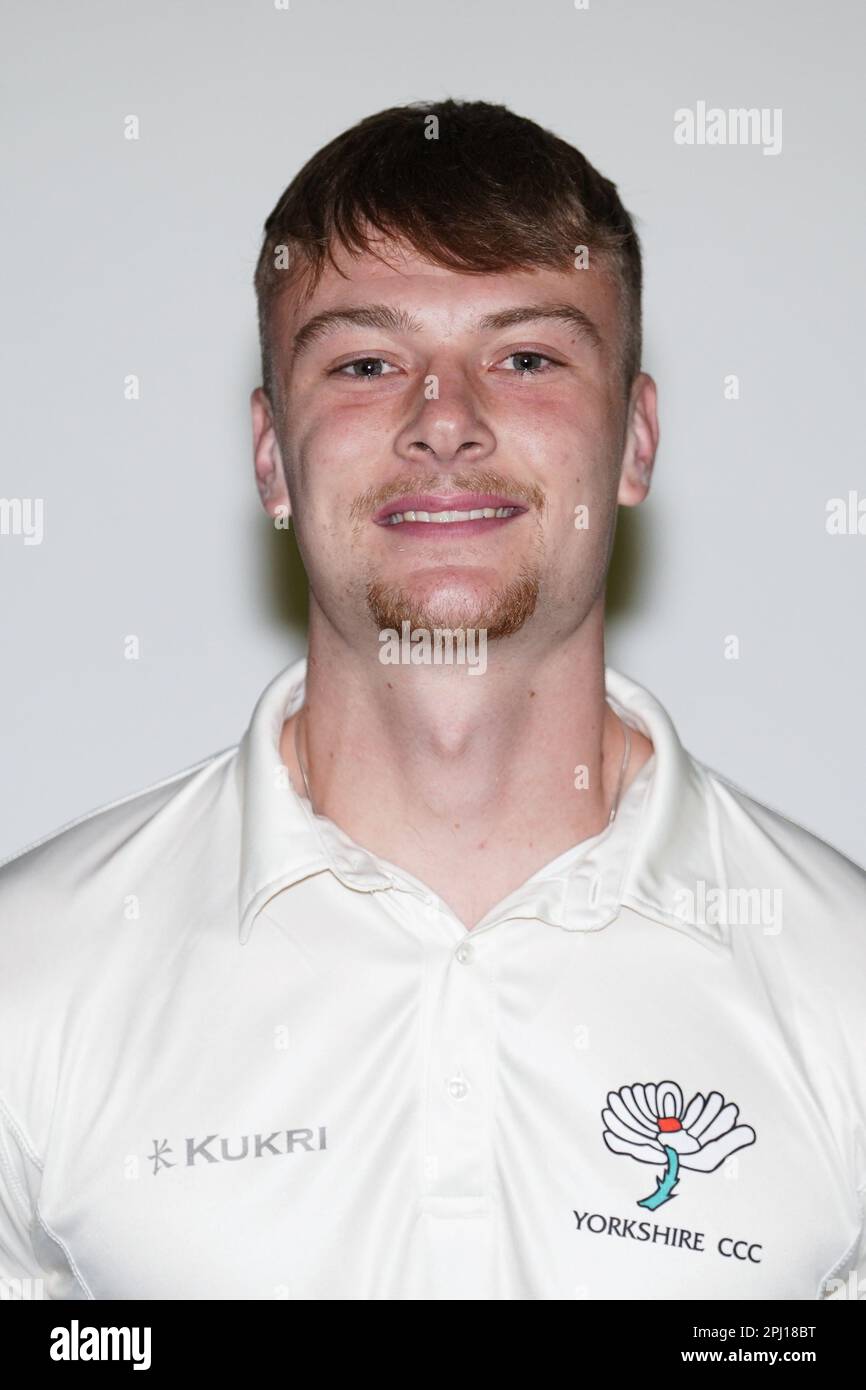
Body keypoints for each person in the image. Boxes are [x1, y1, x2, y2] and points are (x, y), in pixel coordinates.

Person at [0, 99, 864, 1302]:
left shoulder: (842, 984)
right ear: (270, 459)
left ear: (634, 442)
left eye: (525, 357)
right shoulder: (28, 975)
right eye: (365, 362)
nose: (444, 421)